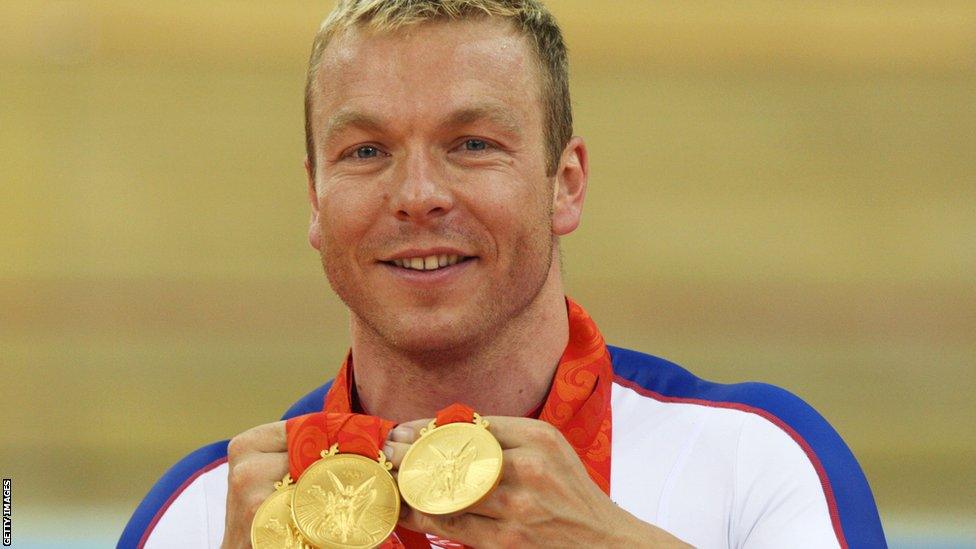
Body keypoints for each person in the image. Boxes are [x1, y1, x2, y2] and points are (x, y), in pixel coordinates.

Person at [120, 1, 886, 547]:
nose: (417, 196)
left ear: (566, 182)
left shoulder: (754, 460)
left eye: (473, 144)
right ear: (315, 198)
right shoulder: (204, 513)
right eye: (366, 151)